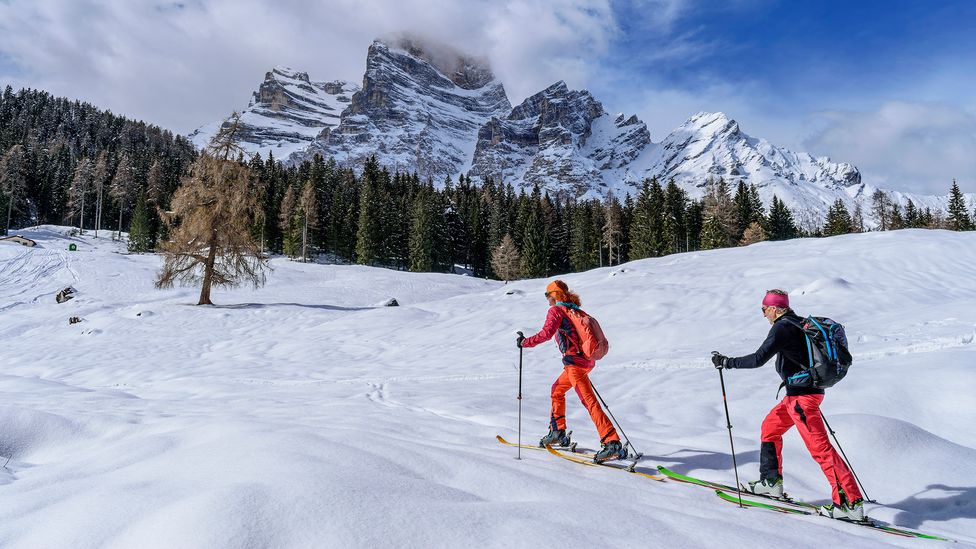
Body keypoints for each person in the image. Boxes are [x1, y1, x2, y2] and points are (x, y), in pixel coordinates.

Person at [711, 289, 865, 521]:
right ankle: (770, 482)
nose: (763, 314)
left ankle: (849, 504)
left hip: (803, 400)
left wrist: (726, 362)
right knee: (770, 428)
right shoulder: (798, 323)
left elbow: (757, 359)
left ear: (775, 308)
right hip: (796, 397)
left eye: (764, 309)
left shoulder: (782, 327)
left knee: (821, 450)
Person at [517, 280, 626, 463]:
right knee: (557, 390)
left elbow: (546, 333)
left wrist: (524, 342)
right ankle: (557, 432)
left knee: (589, 401)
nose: (547, 299)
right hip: (584, 361)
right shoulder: (573, 310)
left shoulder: (557, 310)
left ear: (554, 295)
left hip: (575, 364)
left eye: (547, 295)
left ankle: (611, 443)